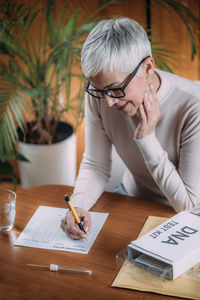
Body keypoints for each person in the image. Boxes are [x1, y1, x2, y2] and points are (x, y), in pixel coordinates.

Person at [60, 17, 200, 239]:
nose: (107, 103)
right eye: (98, 90)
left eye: (115, 89)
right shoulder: (99, 96)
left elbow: (187, 204)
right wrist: (78, 205)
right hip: (130, 198)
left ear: (147, 67)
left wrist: (147, 139)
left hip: (184, 214)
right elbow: (96, 165)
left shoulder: (193, 106)